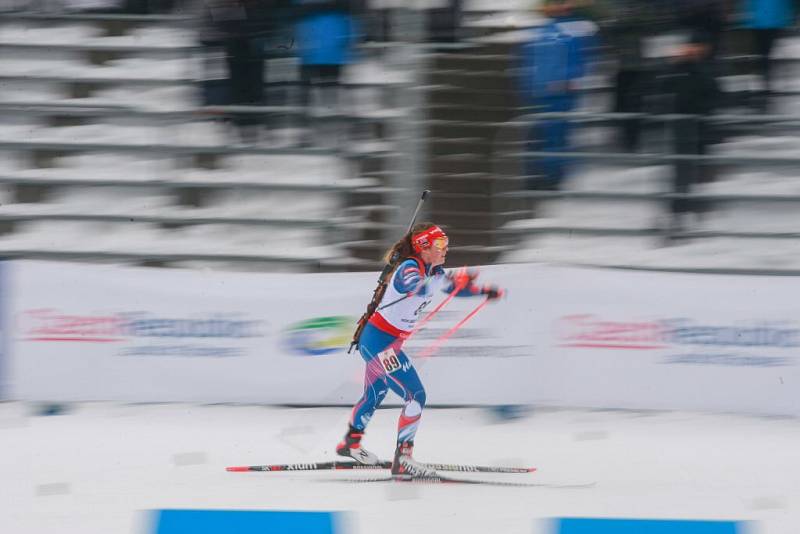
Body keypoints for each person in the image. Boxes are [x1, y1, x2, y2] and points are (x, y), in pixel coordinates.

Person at [337, 223, 504, 478]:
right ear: (424, 247)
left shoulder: (434, 271)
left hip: (380, 343)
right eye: (439, 245)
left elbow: (451, 288)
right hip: (380, 343)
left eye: (446, 244)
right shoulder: (409, 268)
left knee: (376, 391)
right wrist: (455, 280)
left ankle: (351, 444)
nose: (445, 249)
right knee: (415, 395)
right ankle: (403, 457)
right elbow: (415, 287)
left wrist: (483, 291)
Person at [518, 0, 589, 190]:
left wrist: (565, 82)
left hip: (559, 95)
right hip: (538, 93)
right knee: (540, 139)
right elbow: (526, 61)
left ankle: (552, 178)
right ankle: (542, 177)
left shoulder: (575, 29)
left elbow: (580, 62)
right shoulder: (538, 29)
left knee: (556, 138)